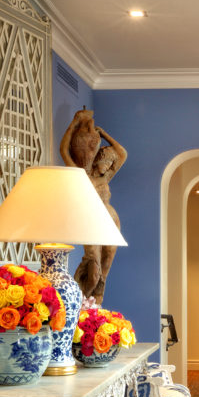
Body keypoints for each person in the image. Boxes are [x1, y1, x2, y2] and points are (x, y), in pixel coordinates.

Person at [59, 108, 127, 304]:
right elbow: (63, 151)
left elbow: (122, 154)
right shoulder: (81, 176)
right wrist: (73, 124)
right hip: (91, 222)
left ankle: (96, 304)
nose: (107, 164)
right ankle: (79, 302)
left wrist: (104, 133)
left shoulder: (105, 177)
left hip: (111, 219)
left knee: (105, 267)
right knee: (94, 269)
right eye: (105, 160)